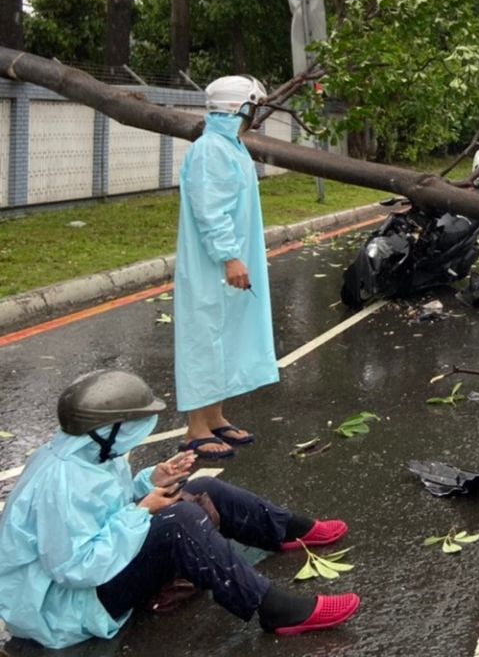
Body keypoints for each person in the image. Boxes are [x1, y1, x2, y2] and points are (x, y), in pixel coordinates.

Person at [0, 370, 360, 648]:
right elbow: (74, 569)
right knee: (179, 521)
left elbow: (103, 506)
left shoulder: (92, 451)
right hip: (65, 607)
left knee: (201, 487)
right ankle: (272, 609)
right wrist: (142, 510)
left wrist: (150, 480)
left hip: (90, 578)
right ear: (107, 427)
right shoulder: (62, 479)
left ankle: (286, 530)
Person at [174, 74, 278, 459]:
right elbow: (210, 210)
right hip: (212, 265)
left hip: (227, 261)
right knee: (205, 338)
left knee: (225, 336)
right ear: (242, 107)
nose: (259, 113)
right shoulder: (210, 150)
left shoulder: (230, 145)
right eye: (256, 106)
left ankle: (215, 417)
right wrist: (229, 257)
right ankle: (195, 430)